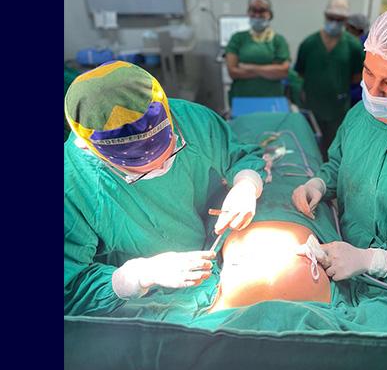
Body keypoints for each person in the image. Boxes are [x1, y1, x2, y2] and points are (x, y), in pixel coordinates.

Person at [64, 61, 266, 316]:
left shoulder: (191, 120)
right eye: (141, 171)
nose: (160, 167)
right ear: (90, 149)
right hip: (140, 301)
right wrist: (138, 276)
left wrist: (246, 183)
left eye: (170, 153)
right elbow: (70, 289)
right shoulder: (72, 184)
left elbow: (240, 156)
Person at [292, 3, 387, 298]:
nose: (373, 92)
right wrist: (320, 183)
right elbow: (340, 162)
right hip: (343, 267)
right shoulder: (360, 115)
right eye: (368, 73)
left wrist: (374, 261)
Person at [295, 0, 364, 160]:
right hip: (312, 106)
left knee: (334, 153)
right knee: (309, 149)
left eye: (339, 19)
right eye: (331, 18)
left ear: (346, 20)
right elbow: (300, 73)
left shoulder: (353, 46)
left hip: (337, 109)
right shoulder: (309, 43)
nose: (334, 23)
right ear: (325, 16)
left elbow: (357, 77)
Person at [226, 0, 291, 103]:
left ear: (269, 14)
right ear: (248, 12)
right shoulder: (237, 38)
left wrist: (249, 67)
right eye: (253, 10)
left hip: (272, 98)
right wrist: (269, 70)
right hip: (242, 97)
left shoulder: (278, 40)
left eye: (261, 10)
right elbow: (233, 72)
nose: (257, 15)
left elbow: (283, 72)